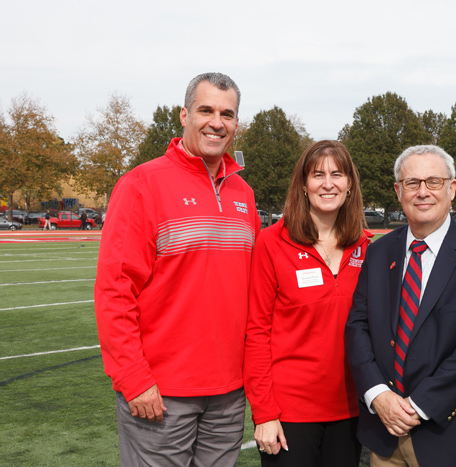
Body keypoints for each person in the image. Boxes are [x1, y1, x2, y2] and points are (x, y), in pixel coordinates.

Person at [94, 72, 260, 466]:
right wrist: (134, 380)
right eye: (206, 110)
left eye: (227, 113)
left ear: (236, 124)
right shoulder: (141, 184)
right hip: (160, 393)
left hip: (229, 394)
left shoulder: (244, 193)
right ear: (184, 114)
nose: (216, 122)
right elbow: (115, 291)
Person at [345, 145, 456, 467]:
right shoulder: (378, 254)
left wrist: (417, 406)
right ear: (398, 191)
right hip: (385, 435)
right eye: (412, 183)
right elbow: (358, 326)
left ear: (451, 188)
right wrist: (378, 395)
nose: (423, 192)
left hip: (453, 436)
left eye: (433, 182)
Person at [244, 140, 370, 467]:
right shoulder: (272, 243)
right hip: (290, 414)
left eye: (337, 174)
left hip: (350, 409)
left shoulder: (366, 247)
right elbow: (256, 333)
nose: (328, 183)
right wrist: (265, 413)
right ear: (303, 184)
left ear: (350, 184)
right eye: (318, 175)